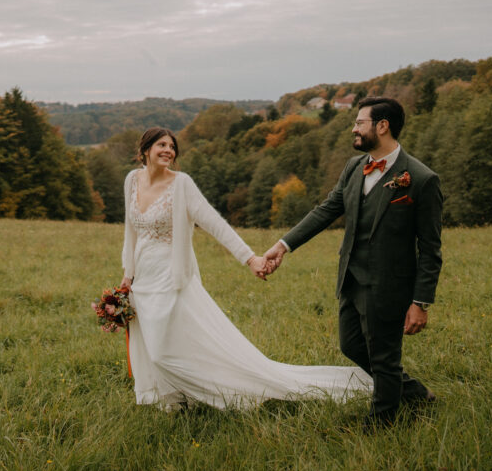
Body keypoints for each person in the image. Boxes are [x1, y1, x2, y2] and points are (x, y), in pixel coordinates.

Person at [120, 127, 372, 410]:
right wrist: (127, 275)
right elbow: (131, 233)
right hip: (142, 276)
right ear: (144, 150)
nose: (168, 150)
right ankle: (178, 400)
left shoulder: (182, 184)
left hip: (171, 276)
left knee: (161, 352)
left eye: (172, 146)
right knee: (156, 344)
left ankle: (220, 391)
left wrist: (250, 259)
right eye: (161, 145)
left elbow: (214, 223)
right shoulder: (132, 180)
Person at [263, 97, 443, 428]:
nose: (354, 128)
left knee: (384, 356)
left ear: (382, 126)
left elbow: (430, 249)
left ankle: (382, 424)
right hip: (351, 277)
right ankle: (414, 393)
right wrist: (284, 245)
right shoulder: (354, 167)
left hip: (390, 284)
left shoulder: (420, 178)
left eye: (360, 122)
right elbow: (326, 210)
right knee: (351, 345)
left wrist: (420, 301)